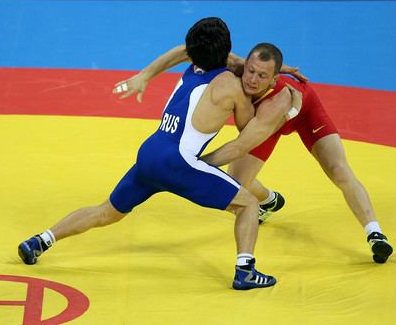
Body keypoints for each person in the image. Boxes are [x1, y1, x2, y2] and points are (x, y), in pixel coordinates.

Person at [18, 17, 302, 290]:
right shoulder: (232, 88)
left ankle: (40, 241)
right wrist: (284, 108)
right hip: (178, 163)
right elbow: (249, 131)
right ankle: (246, 271)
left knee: (106, 211)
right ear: (228, 53)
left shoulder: (191, 66)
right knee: (249, 205)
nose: (251, 77)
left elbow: (180, 52)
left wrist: (145, 75)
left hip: (149, 155)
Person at [114, 42, 393, 264]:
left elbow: (238, 146)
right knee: (239, 180)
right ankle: (269, 201)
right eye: (251, 71)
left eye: (262, 76)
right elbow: (187, 51)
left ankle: (374, 233)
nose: (252, 80)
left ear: (274, 79)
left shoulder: (277, 102)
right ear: (244, 64)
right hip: (262, 123)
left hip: (302, 112)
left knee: (338, 170)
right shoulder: (236, 66)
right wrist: (144, 75)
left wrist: (187, 168)